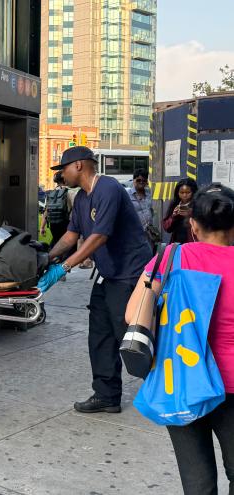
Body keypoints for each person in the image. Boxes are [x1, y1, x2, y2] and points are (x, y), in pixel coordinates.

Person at [125, 183, 234, 495]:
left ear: (194, 225)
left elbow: (134, 314)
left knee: (197, 482)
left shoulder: (171, 258)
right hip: (233, 385)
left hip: (182, 380)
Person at [37, 146, 152, 413]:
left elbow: (99, 236)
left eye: (62, 168)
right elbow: (70, 235)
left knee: (131, 337)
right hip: (108, 275)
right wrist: (47, 258)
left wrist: (64, 267)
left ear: (78, 166)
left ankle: (167, 388)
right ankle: (107, 395)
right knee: (99, 334)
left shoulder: (108, 189)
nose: (61, 174)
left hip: (130, 274)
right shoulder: (81, 199)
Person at [126, 169, 158, 249]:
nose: (141, 182)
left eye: (143, 180)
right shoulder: (127, 195)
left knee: (150, 256)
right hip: (134, 233)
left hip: (149, 234)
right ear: (133, 180)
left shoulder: (149, 193)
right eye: (138, 180)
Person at [163, 178, 198, 243]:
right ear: (177, 193)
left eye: (188, 192)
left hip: (192, 243)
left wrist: (190, 214)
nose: (184, 195)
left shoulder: (197, 204)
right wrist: (174, 216)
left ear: (193, 192)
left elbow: (203, 226)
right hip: (177, 242)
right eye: (182, 192)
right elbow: (167, 228)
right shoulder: (175, 204)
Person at [40, 171, 71, 247]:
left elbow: (46, 211)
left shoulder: (51, 193)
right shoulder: (70, 192)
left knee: (56, 242)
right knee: (67, 247)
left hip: (53, 224)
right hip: (66, 223)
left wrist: (42, 227)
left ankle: (51, 256)